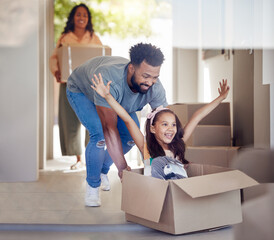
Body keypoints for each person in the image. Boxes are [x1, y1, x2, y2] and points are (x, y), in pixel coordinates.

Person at [66, 43, 167, 207]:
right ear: (132, 68)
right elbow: (109, 130)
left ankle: (103, 169)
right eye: (146, 76)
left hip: (119, 100)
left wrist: (156, 162)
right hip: (83, 90)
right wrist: (122, 168)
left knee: (129, 138)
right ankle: (93, 185)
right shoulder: (108, 78)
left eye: (155, 77)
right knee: (99, 134)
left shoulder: (155, 88)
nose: (150, 82)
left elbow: (164, 126)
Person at [91, 74, 230, 180]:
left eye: (173, 124)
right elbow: (127, 120)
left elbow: (197, 116)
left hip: (178, 191)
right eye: (164, 124)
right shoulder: (146, 147)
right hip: (156, 195)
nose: (171, 128)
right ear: (153, 128)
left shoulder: (177, 143)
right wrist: (108, 97)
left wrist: (221, 98)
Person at [49, 3, 102, 170]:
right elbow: (54, 58)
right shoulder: (65, 37)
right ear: (73, 17)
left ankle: (89, 156)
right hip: (69, 84)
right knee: (70, 120)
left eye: (84, 15)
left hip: (88, 85)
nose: (81, 18)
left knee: (90, 120)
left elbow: (101, 57)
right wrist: (56, 71)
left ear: (88, 19)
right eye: (78, 14)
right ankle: (78, 159)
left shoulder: (94, 37)